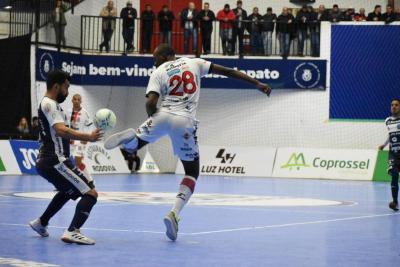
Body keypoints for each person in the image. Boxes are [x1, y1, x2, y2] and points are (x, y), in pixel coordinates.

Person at [103, 44, 271, 241]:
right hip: (185, 121)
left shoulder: (158, 72)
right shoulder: (195, 63)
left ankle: (131, 139)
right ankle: (173, 213)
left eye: (156, 57)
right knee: (192, 171)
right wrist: (256, 83)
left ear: (167, 56)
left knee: (133, 147)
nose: (154, 61)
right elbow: (228, 71)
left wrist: (153, 119)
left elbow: (150, 103)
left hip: (162, 115)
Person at [29, 70, 102, 245]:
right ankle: (73, 231)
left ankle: (41, 222)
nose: (68, 92)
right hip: (54, 160)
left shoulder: (50, 104)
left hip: (49, 160)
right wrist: (88, 137)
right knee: (90, 193)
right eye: (66, 87)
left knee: (67, 191)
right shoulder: (50, 104)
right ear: (57, 86)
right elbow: (62, 130)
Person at [379, 99, 400, 211]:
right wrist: (384, 144)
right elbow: (390, 135)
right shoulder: (387, 121)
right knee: (394, 175)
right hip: (393, 154)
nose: (394, 107)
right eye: (392, 105)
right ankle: (395, 202)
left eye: (396, 105)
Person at [69, 94, 93, 184]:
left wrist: (86, 137)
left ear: (81, 101)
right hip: (69, 140)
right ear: (72, 100)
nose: (76, 101)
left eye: (78, 99)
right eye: (75, 99)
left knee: (78, 161)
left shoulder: (85, 113)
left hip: (80, 140)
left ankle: (90, 180)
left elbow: (90, 127)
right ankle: (66, 181)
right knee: (63, 162)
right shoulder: (68, 112)